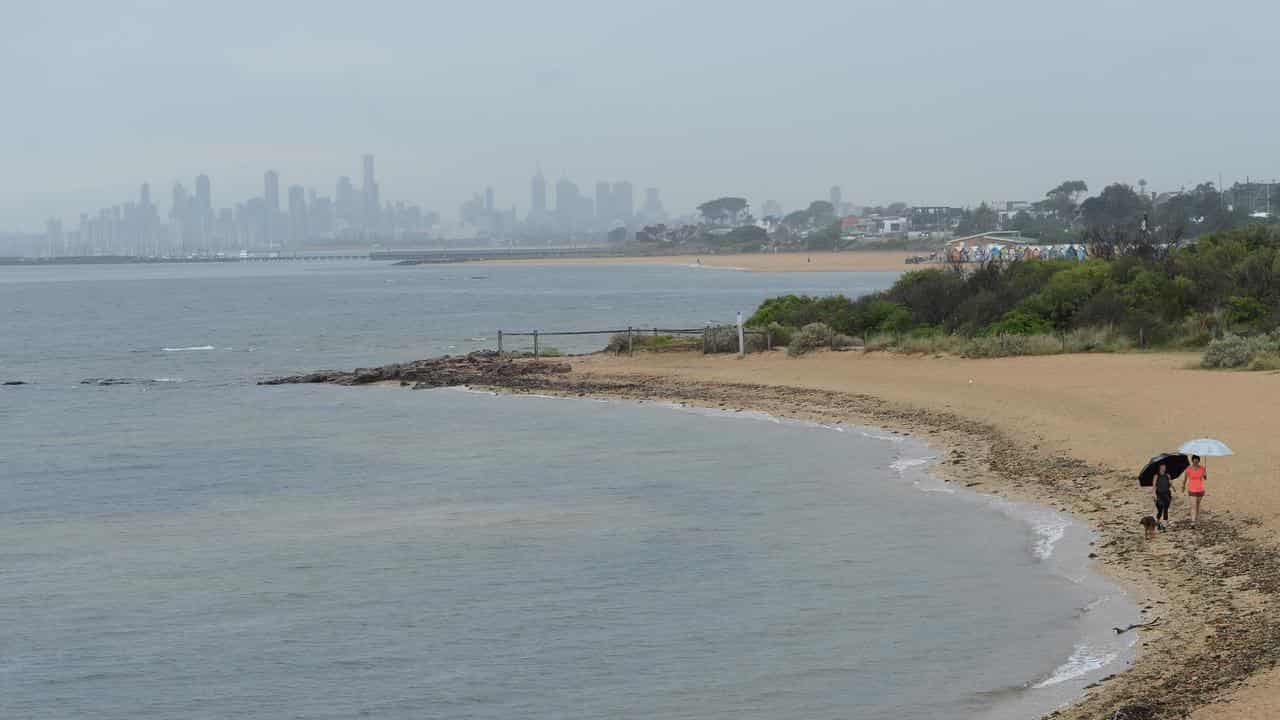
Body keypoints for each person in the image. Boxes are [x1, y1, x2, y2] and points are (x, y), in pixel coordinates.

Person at [1183, 455, 1208, 526]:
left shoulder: (1202, 468)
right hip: (1191, 489)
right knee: (1193, 505)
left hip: (1200, 489)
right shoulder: (1188, 469)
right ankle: (1193, 521)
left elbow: (1205, 478)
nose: (1196, 461)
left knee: (1197, 505)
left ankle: (1197, 519)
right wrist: (1183, 486)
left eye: (1197, 460)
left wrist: (1205, 474)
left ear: (1198, 461)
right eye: (1194, 460)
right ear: (1192, 460)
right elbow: (1185, 479)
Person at [1152, 462, 1172, 530]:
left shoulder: (1168, 475)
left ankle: (1164, 525)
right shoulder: (1156, 476)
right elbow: (1154, 486)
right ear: (1159, 467)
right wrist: (1154, 494)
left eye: (1165, 466)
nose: (1164, 468)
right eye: (1162, 466)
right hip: (1159, 494)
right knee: (1160, 509)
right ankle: (1158, 521)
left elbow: (1170, 485)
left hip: (1167, 494)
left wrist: (1171, 483)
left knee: (1166, 509)